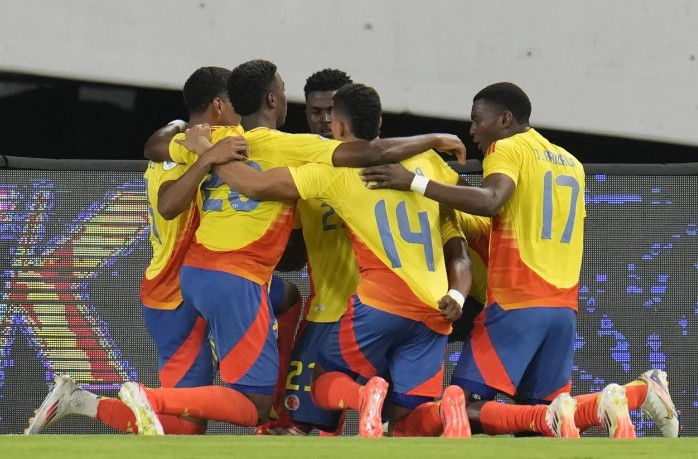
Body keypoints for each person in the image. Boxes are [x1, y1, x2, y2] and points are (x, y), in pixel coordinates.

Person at [116, 60, 467, 435]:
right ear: (273, 99)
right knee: (258, 405)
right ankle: (153, 399)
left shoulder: (217, 137)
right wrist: (433, 139)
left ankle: (143, 401)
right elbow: (372, 153)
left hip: (198, 273)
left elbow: (155, 150)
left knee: (287, 310)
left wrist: (202, 148)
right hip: (242, 276)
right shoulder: (295, 146)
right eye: (285, 92)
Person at [360, 81, 681, 439]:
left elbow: (490, 200)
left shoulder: (507, 147)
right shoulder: (571, 162)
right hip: (562, 310)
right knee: (543, 424)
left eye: (477, 120)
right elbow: (529, 223)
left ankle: (628, 396)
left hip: (516, 303)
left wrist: (415, 183)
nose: (472, 130)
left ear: (505, 119)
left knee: (457, 408)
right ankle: (637, 393)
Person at [25, 67, 246, 435]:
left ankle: (80, 400)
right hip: (175, 292)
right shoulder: (196, 148)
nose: (244, 113)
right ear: (220, 105)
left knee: (282, 297)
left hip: (198, 282)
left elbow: (158, 142)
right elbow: (168, 203)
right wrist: (206, 158)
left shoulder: (177, 139)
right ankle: (90, 401)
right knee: (186, 428)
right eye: (239, 104)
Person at [257, 68, 357, 436]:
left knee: (401, 420)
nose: (325, 120)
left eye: (333, 110)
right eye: (317, 112)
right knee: (293, 424)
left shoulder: (381, 162)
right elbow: (296, 257)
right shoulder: (299, 170)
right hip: (326, 309)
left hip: (380, 309)